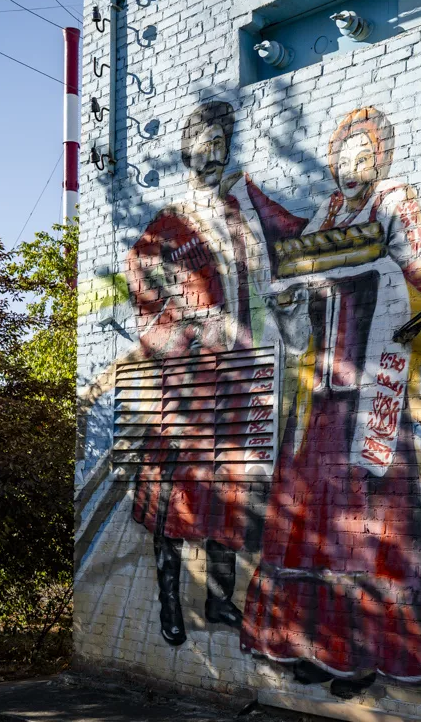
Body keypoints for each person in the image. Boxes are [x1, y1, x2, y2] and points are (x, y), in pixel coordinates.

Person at [241, 107, 421, 697]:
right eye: (344, 157)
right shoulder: (326, 218)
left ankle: (361, 655)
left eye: (365, 156)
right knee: (310, 524)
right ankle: (315, 645)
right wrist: (288, 302)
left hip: (370, 397)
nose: (352, 167)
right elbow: (295, 323)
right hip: (320, 403)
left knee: (364, 532)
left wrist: (387, 264)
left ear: (380, 162)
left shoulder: (392, 206)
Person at [123, 101, 305, 646]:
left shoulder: (239, 213)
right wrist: (189, 331)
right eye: (202, 143)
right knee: (174, 499)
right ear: (186, 151)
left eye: (220, 144)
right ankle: (170, 604)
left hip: (241, 380)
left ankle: (220, 601)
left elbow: (288, 245)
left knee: (229, 493)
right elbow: (142, 298)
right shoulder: (168, 226)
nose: (211, 154)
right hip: (189, 387)